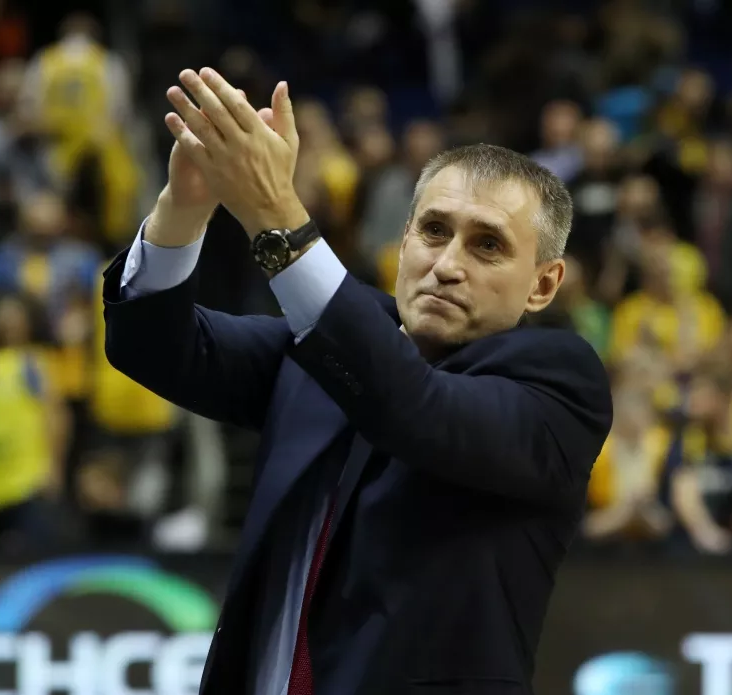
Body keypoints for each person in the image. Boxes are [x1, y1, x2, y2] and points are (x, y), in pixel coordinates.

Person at [103, 68, 612, 695]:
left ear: (543, 284)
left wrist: (276, 215)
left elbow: (412, 406)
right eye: (434, 231)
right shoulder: (323, 338)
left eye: (487, 245)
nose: (447, 265)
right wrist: (184, 207)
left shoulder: (561, 383)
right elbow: (153, 345)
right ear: (404, 239)